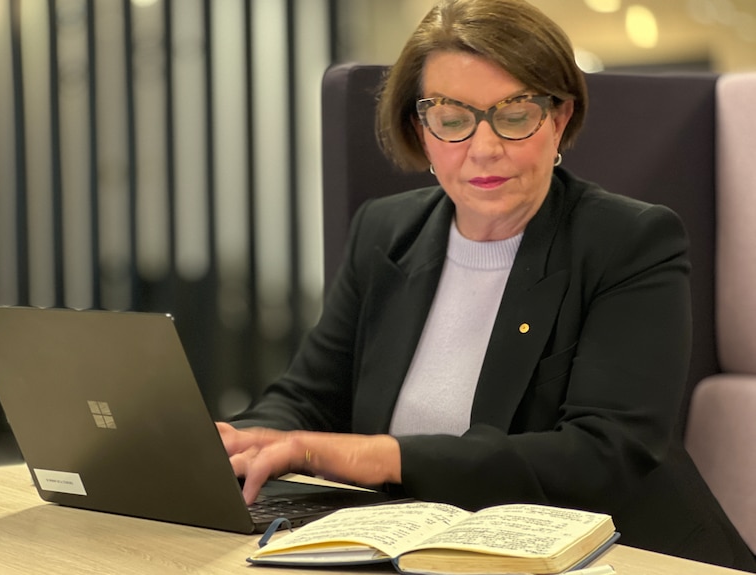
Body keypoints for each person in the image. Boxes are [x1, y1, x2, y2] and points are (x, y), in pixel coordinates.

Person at [218, 0, 756, 570]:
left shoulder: (629, 240)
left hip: (619, 556)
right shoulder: (386, 230)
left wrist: (375, 456)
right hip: (422, 549)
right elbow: (308, 395)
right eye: (452, 119)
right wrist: (241, 442)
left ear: (560, 119)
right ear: (421, 132)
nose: (484, 148)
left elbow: (603, 455)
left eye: (515, 113)